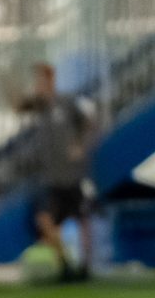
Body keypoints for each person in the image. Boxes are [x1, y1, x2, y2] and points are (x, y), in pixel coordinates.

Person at [17, 61, 98, 282]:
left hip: (73, 174)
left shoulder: (68, 103)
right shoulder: (37, 108)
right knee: (45, 218)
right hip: (49, 176)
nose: (38, 85)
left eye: (41, 80)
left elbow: (90, 120)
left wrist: (80, 145)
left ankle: (85, 267)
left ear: (51, 80)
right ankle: (64, 264)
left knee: (82, 219)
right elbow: (16, 104)